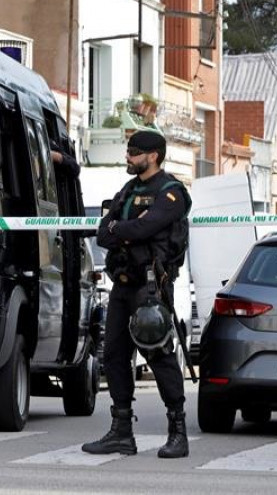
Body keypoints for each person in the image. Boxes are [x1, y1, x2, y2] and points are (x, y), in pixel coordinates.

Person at [82, 130, 191, 458]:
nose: (127, 157)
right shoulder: (128, 190)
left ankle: (178, 432)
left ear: (153, 155)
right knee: (114, 355)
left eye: (133, 152)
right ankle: (121, 432)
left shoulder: (172, 192)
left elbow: (146, 227)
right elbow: (103, 232)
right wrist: (125, 230)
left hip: (150, 286)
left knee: (158, 354)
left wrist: (125, 230)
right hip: (123, 284)